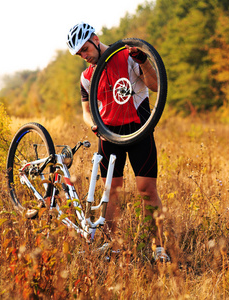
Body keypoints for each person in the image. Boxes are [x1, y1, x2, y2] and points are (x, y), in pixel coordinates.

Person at [66, 22, 170, 263]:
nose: (84, 56)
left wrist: (144, 61)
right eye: (79, 54)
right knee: (111, 191)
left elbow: (155, 86)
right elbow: (86, 111)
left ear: (95, 38)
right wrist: (93, 124)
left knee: (147, 189)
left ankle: (158, 246)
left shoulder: (127, 55)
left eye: (85, 49)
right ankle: (114, 245)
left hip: (138, 130)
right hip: (108, 135)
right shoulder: (86, 77)